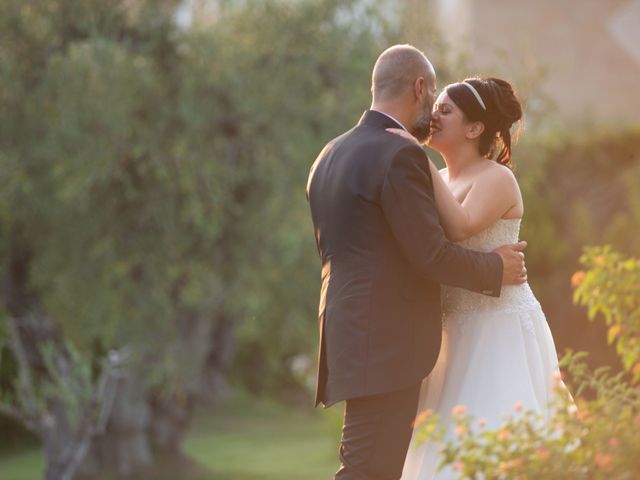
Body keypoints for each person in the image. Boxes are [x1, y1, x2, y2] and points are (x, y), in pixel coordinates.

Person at [306, 45, 528, 480]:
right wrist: (495, 269)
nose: (435, 112)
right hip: (386, 341)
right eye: (435, 101)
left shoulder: (329, 154)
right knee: (369, 470)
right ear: (419, 88)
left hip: (351, 331)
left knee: (369, 465)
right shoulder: (400, 154)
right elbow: (429, 254)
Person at [388, 77, 564, 480]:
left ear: (474, 128)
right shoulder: (445, 180)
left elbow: (462, 226)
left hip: (496, 330)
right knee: (446, 444)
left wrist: (416, 155)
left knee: (497, 438)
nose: (434, 116)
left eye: (446, 110)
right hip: (453, 334)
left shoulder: (497, 178)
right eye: (436, 108)